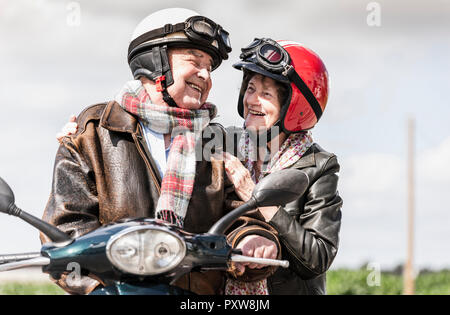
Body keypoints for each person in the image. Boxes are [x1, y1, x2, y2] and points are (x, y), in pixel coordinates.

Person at [43, 8, 281, 295]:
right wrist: (99, 288)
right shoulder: (93, 133)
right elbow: (66, 225)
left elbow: (239, 215)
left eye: (210, 68)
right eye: (195, 62)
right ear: (154, 62)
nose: (206, 75)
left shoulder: (216, 141)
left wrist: (253, 236)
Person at [221, 38, 343, 294]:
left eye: (266, 94)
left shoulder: (318, 167)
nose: (252, 99)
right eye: (250, 88)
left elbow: (317, 259)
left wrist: (256, 196)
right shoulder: (225, 148)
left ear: (295, 106)